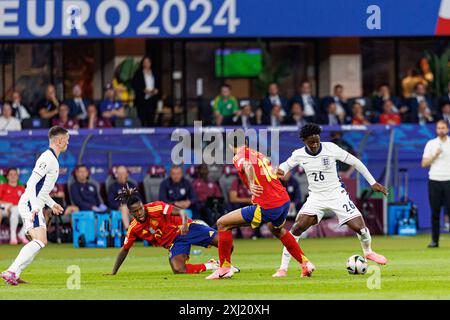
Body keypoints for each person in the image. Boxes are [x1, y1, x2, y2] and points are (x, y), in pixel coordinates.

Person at [272, 124, 388, 277]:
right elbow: (284, 167)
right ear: (304, 141)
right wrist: (278, 171)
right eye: (311, 142)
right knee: (296, 228)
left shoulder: (331, 148)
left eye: (317, 140)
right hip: (316, 198)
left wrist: (372, 182)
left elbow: (356, 162)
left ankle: (368, 252)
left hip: (337, 195)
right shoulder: (298, 154)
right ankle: (283, 268)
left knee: (360, 228)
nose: (315, 144)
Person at [206, 142, 314, 280]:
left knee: (222, 223)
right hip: (283, 201)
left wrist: (251, 184)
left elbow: (247, 165)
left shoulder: (238, 155)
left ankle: (224, 268)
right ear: (245, 142)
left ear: (229, 146)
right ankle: (305, 263)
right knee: (277, 230)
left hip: (268, 205)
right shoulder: (258, 154)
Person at [104, 186, 239, 275]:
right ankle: (211, 266)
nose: (139, 213)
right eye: (135, 211)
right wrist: (113, 272)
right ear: (131, 213)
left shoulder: (156, 207)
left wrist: (185, 224)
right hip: (174, 242)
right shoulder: (134, 228)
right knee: (178, 269)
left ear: (143, 205)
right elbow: (125, 249)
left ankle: (225, 266)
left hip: (187, 229)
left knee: (226, 243)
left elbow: (181, 212)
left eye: (140, 208)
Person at [1, 126, 68, 285]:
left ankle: (14, 273)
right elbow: (30, 183)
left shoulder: (53, 159)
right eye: (67, 140)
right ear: (59, 141)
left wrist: (52, 204)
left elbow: (41, 191)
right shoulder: (47, 158)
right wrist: (36, 207)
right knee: (39, 240)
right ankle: (11, 271)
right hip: (31, 204)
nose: (68, 143)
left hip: (34, 202)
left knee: (40, 241)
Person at [421, 120, 450, 248]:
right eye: (439, 128)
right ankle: (434, 241)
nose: (441, 130)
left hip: (449, 180)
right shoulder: (431, 144)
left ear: (447, 129)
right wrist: (435, 155)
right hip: (434, 180)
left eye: (443, 128)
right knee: (435, 212)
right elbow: (424, 164)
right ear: (436, 130)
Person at [0, 168, 27, 245]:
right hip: (4, 208)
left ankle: (21, 234)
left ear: (18, 176)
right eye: (11, 174)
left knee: (30, 213)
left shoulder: (21, 189)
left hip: (18, 209)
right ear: (7, 176)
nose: (13, 176)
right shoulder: (2, 186)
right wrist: (8, 204)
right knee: (15, 209)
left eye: (15, 174)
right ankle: (13, 237)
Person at [132, 56, 159, 127]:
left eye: (148, 62)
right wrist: (144, 90)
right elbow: (135, 85)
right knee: (142, 119)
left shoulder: (154, 73)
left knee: (151, 119)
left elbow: (157, 84)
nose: (147, 64)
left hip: (152, 99)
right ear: (143, 63)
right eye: (145, 62)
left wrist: (156, 90)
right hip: (142, 100)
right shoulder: (138, 74)